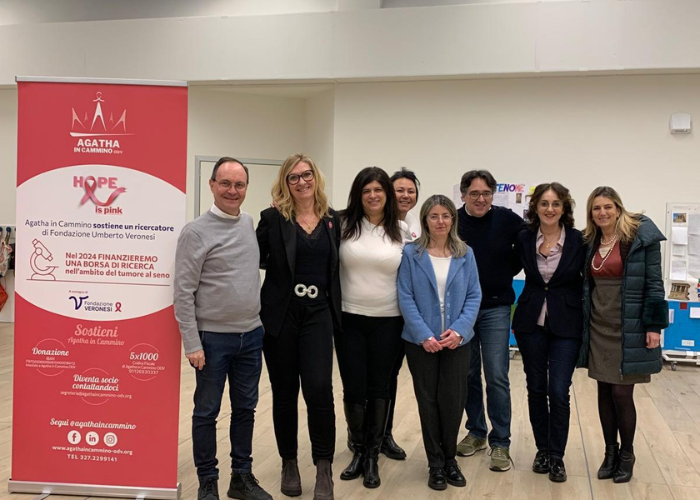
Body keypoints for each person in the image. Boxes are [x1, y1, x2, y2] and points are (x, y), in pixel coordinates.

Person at [174, 157, 272, 500]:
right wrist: (191, 342)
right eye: (226, 183)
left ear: (246, 188)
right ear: (212, 185)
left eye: (239, 184)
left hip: (251, 336)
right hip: (211, 340)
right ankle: (208, 481)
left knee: (245, 409)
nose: (233, 190)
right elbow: (183, 292)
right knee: (207, 412)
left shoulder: (248, 223)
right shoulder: (195, 232)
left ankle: (241, 478)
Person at [256, 153, 340, 500]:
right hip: (282, 316)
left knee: (319, 388)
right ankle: (288, 462)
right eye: (293, 177)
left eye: (306, 175)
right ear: (285, 183)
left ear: (315, 178)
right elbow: (255, 259)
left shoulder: (334, 220)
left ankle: (323, 466)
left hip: (318, 313)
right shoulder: (272, 219)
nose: (301, 182)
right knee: (285, 391)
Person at [577, 186, 668, 484]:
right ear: (591, 213)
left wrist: (654, 326)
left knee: (621, 392)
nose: (602, 212)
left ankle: (627, 454)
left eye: (608, 207)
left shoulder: (639, 238)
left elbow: (654, 284)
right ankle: (610, 452)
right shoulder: (590, 241)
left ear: (618, 208)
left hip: (629, 325)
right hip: (598, 325)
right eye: (596, 208)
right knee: (604, 391)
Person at [398, 195, 481, 491]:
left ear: (453, 220)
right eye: (434, 216)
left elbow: (474, 295)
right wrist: (423, 334)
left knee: (453, 400)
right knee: (428, 401)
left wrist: (459, 331)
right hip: (421, 342)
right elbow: (405, 296)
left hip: (456, 342)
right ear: (425, 220)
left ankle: (449, 459)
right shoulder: (412, 253)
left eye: (446, 215)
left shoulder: (465, 253)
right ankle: (435, 463)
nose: (440, 221)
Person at [336, 166, 408, 489]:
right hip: (349, 319)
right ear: (358, 195)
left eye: (379, 190)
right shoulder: (342, 225)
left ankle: (372, 457)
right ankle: (358, 449)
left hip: (389, 321)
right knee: (353, 389)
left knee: (380, 389)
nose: (373, 195)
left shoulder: (402, 231)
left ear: (387, 195)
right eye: (367, 190)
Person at [512, 183, 586, 483]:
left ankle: (557, 455)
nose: (550, 209)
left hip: (567, 323)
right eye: (544, 203)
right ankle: (542, 450)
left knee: (558, 390)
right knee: (536, 388)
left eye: (556, 203)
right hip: (530, 322)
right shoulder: (524, 237)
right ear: (535, 207)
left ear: (565, 207)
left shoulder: (580, 240)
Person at [456, 169, 525, 472]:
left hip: (496, 307)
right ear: (463, 195)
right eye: (474, 193)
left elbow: (526, 246)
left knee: (497, 375)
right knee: (469, 373)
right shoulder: (453, 220)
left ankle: (501, 441)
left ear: (493, 195)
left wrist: (506, 270)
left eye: (486, 193)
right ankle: (476, 432)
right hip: (462, 310)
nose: (481, 199)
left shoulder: (507, 219)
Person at [368, 167, 421, 462]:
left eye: (411, 191)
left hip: (401, 314)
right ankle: (362, 436)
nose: (405, 195)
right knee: (369, 379)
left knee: (390, 376)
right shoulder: (374, 223)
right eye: (399, 190)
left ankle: (384, 434)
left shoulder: (413, 226)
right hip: (371, 312)